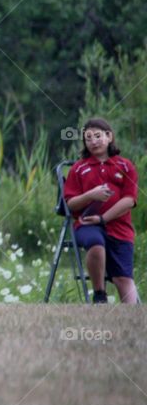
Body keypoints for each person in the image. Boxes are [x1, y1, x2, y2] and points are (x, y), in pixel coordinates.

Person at [63, 118, 139, 304]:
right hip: (87, 224)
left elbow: (129, 200)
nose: (94, 141)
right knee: (96, 242)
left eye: (98, 136)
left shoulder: (125, 166)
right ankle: (99, 295)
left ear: (109, 137)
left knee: (124, 278)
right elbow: (71, 204)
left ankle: (132, 318)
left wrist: (103, 218)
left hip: (119, 227)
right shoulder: (78, 168)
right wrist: (91, 195)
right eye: (88, 138)